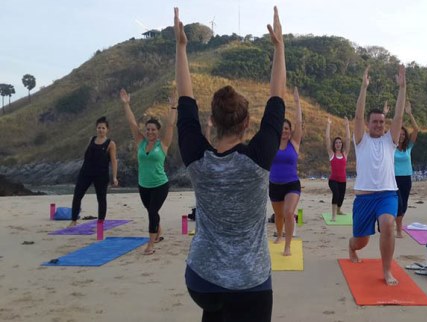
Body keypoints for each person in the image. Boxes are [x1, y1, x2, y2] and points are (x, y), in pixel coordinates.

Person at [175, 6, 286, 321]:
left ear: (212, 120)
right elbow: (277, 97)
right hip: (250, 283)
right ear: (248, 123)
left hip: (202, 282)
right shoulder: (259, 157)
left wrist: (181, 47)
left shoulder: (196, 156)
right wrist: (280, 48)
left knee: (216, 311)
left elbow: (185, 100)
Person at [349, 65, 406, 286]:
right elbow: (357, 115)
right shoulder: (361, 141)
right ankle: (351, 246)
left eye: (382, 122)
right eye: (375, 121)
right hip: (364, 197)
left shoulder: (389, 141)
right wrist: (363, 87)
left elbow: (399, 115)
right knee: (361, 241)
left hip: (387, 194)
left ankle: (387, 270)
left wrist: (402, 88)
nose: (379, 124)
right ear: (368, 124)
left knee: (388, 224)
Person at [119, 88, 176, 255]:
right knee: (152, 211)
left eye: (153, 130)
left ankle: (151, 244)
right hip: (143, 185)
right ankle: (159, 230)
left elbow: (171, 125)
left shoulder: (163, 144)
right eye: (148, 129)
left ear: (158, 132)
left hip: (160, 184)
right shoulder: (141, 143)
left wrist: (173, 107)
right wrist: (126, 104)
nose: (150, 132)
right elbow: (132, 124)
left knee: (152, 212)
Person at [269, 86, 302, 256]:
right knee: (278, 215)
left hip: (292, 184)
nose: (285, 131)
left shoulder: (294, 143)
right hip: (274, 184)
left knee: (289, 213)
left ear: (290, 132)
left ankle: (287, 245)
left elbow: (299, 123)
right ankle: (280, 234)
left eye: (287, 129)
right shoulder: (272, 143)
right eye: (282, 128)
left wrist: (297, 103)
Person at [69, 117, 118, 226]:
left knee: (101, 199)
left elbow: (114, 161)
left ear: (107, 129)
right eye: (99, 128)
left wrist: (114, 177)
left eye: (103, 128)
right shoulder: (91, 139)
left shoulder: (110, 144)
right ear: (96, 129)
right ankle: (73, 220)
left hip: (101, 175)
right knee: (77, 195)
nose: (101, 130)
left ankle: (100, 223)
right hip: (86, 172)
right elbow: (87, 155)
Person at [394, 101, 420, 237]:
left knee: (404, 205)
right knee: (398, 203)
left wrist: (410, 114)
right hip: (394, 179)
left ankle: (398, 223)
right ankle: (398, 229)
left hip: (406, 179)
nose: (402, 136)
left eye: (404, 134)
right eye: (400, 134)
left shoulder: (408, 148)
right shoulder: (390, 147)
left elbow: (416, 130)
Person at [325, 116, 350, 222]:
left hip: (343, 180)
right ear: (334, 145)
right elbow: (327, 139)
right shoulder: (331, 154)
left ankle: (339, 210)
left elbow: (348, 139)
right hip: (333, 180)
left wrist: (347, 126)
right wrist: (329, 124)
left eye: (340, 142)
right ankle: (334, 215)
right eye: (336, 143)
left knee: (340, 198)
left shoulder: (345, 154)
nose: (338, 144)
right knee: (336, 194)